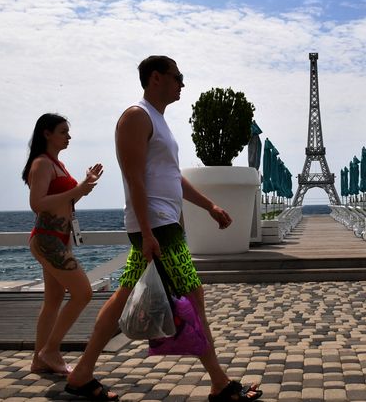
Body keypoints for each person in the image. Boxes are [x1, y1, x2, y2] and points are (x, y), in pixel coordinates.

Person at [65, 56, 262, 401]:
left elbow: (172, 178)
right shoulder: (135, 117)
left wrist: (210, 206)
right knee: (193, 296)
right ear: (155, 78)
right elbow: (134, 178)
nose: (182, 83)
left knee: (126, 294)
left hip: (160, 224)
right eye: (177, 77)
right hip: (156, 225)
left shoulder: (157, 121)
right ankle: (219, 382)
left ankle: (82, 373)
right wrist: (148, 231)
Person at [21, 113, 104, 375]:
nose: (69, 136)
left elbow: (62, 203)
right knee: (83, 293)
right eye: (63, 131)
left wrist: (84, 186)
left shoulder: (58, 164)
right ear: (47, 134)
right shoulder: (42, 164)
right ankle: (51, 350)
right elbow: (37, 204)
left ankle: (39, 360)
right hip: (47, 240)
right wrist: (78, 189)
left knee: (53, 300)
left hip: (58, 240)